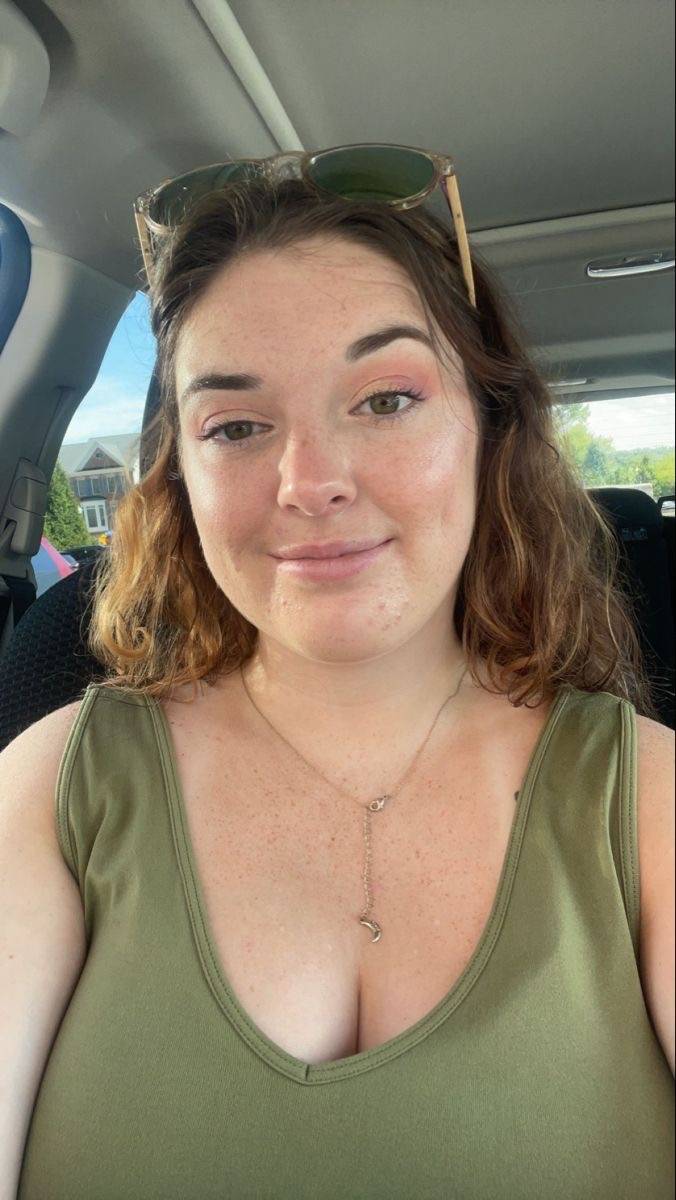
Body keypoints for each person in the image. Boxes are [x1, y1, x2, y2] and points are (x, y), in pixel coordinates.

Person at [7, 150, 674, 1199]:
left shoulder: (648, 802)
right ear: (180, 480)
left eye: (386, 399)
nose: (309, 481)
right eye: (235, 425)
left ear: (488, 429)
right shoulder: (50, 792)